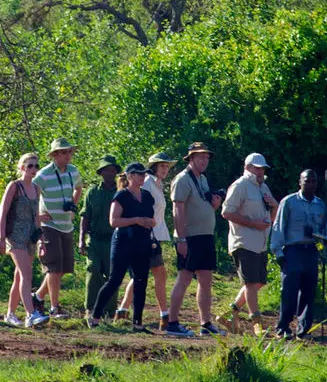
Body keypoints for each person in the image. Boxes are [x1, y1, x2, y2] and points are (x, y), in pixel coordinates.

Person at [164, 142, 226, 337]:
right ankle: (172, 323)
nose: (204, 160)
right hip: (189, 237)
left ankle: (205, 323)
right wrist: (181, 238)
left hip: (205, 237)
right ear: (190, 159)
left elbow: (202, 205)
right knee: (184, 277)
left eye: (207, 157)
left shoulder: (203, 179)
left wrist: (215, 205)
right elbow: (177, 209)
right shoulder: (182, 179)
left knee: (206, 279)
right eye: (200, 157)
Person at [88, 163, 156, 332]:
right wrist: (136, 220)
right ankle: (95, 316)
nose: (143, 177)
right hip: (123, 242)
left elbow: (151, 217)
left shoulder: (147, 196)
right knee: (115, 280)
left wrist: (150, 222)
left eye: (144, 174)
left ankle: (137, 323)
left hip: (142, 242)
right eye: (139, 174)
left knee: (141, 282)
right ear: (130, 176)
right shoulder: (122, 196)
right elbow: (114, 221)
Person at [270, 169, 327, 339]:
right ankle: (283, 327)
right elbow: (278, 227)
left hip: (311, 251)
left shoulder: (320, 204)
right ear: (300, 182)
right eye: (307, 181)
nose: (311, 184)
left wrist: (326, 240)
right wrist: (278, 252)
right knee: (289, 291)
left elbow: (326, 230)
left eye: (314, 181)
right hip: (292, 251)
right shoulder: (289, 202)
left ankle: (303, 330)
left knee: (308, 291)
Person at [116, 151, 174, 329]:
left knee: (142, 274)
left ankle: (123, 310)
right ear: (154, 166)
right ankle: (165, 315)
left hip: (154, 234)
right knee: (159, 273)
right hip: (148, 236)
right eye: (162, 165)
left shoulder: (157, 184)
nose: (165, 169)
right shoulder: (147, 183)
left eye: (167, 166)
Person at [221, 153, 278, 327]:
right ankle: (256, 323)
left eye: (262, 168)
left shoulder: (263, 188)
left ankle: (230, 314)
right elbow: (226, 213)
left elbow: (273, 218)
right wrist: (252, 224)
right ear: (247, 168)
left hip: (260, 243)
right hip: (244, 241)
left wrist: (274, 205)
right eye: (256, 167)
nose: (260, 171)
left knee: (258, 282)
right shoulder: (240, 186)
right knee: (251, 283)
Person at [0, 153, 49, 328]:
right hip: (15, 235)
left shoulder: (36, 189)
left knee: (19, 276)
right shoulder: (14, 186)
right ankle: (30, 314)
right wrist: (2, 238)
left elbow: (36, 218)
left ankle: (10, 314)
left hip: (30, 237)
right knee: (27, 274)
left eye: (36, 166)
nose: (33, 169)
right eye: (30, 166)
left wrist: (40, 240)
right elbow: (3, 213)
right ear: (21, 167)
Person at [32, 139, 83, 319]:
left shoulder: (73, 171)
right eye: (64, 152)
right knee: (53, 267)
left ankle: (37, 297)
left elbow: (78, 188)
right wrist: (36, 216)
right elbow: (31, 196)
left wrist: (73, 205)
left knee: (62, 269)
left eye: (69, 151)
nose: (68, 155)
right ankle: (54, 308)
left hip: (66, 225)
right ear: (55, 155)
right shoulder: (43, 175)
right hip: (49, 225)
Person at [80, 155, 119, 317]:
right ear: (101, 173)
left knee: (112, 274)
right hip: (94, 239)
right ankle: (90, 309)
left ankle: (109, 311)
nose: (110, 173)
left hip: (113, 240)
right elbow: (85, 216)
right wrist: (81, 239)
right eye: (106, 170)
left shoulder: (120, 193)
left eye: (112, 170)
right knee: (93, 268)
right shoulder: (92, 192)